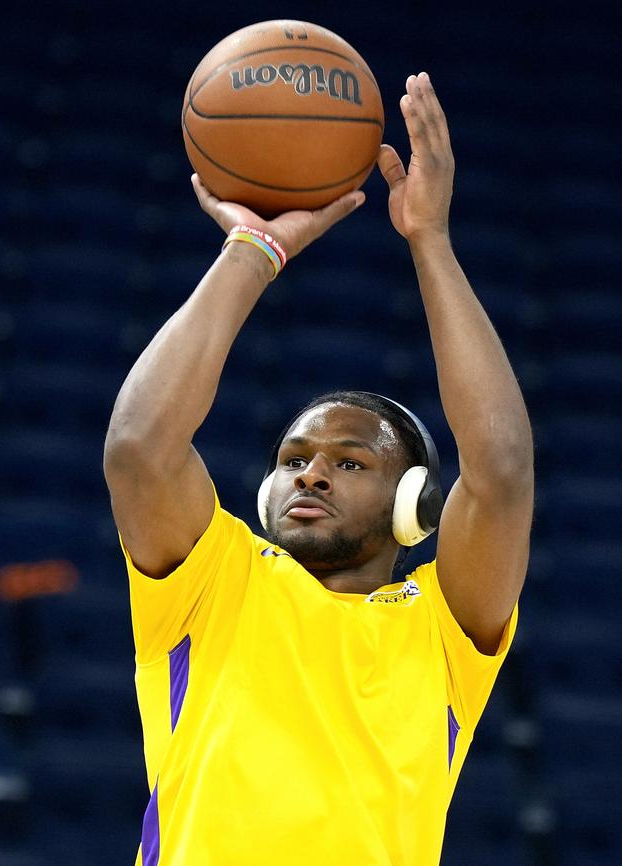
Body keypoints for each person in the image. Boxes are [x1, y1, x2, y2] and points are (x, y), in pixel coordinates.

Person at [103, 72, 534, 866]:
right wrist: (254, 249)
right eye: (293, 460)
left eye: (348, 461)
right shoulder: (216, 581)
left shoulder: (441, 627)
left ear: (414, 503)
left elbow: (500, 469)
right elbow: (139, 448)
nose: (309, 475)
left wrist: (429, 242)